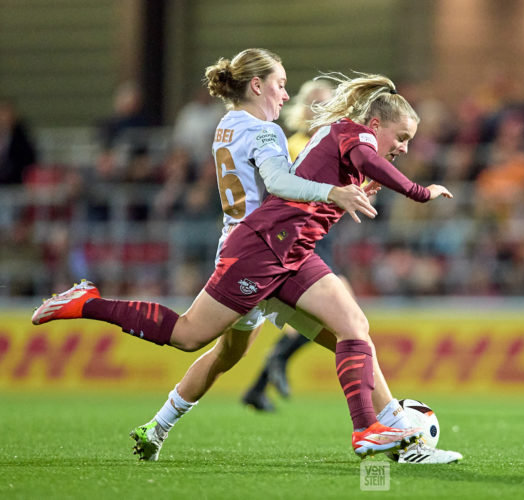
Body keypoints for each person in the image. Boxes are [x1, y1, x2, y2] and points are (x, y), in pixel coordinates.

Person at [31, 53, 458, 462]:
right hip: (259, 249)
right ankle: (88, 302)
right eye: (280, 85)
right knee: (190, 336)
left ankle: (388, 430)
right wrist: (346, 191)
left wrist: (339, 185)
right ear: (257, 85)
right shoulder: (268, 132)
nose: (286, 96)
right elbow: (278, 183)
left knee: (345, 333)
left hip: (276, 247)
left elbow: (294, 177)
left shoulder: (228, 125)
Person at [241, 78, 336, 412]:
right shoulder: (296, 144)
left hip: (319, 234)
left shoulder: (331, 144)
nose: (321, 111)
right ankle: (276, 361)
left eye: (327, 104)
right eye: (315, 104)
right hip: (298, 235)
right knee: (333, 313)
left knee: (322, 315)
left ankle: (261, 381)